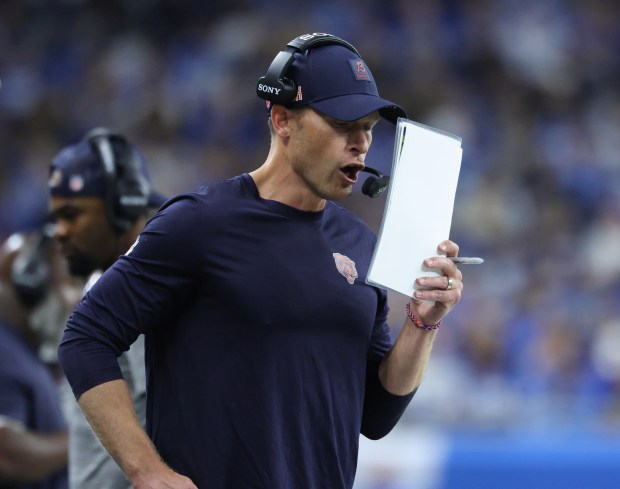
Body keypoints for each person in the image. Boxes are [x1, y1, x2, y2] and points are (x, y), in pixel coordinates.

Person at [57, 33, 465, 489]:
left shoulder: (359, 244)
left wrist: (422, 322)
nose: (361, 143)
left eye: (368, 126)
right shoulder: (200, 222)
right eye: (342, 124)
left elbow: (375, 414)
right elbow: (85, 338)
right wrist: (147, 471)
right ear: (283, 119)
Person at [47, 128, 167, 489]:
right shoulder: (114, 284)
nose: (59, 231)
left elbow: (157, 419)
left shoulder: (145, 284)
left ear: (124, 206)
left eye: (72, 214)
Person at [0, 224, 82, 489]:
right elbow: (6, 455)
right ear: (30, 278)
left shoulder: (20, 350)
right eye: (70, 280)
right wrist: (91, 438)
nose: (76, 297)